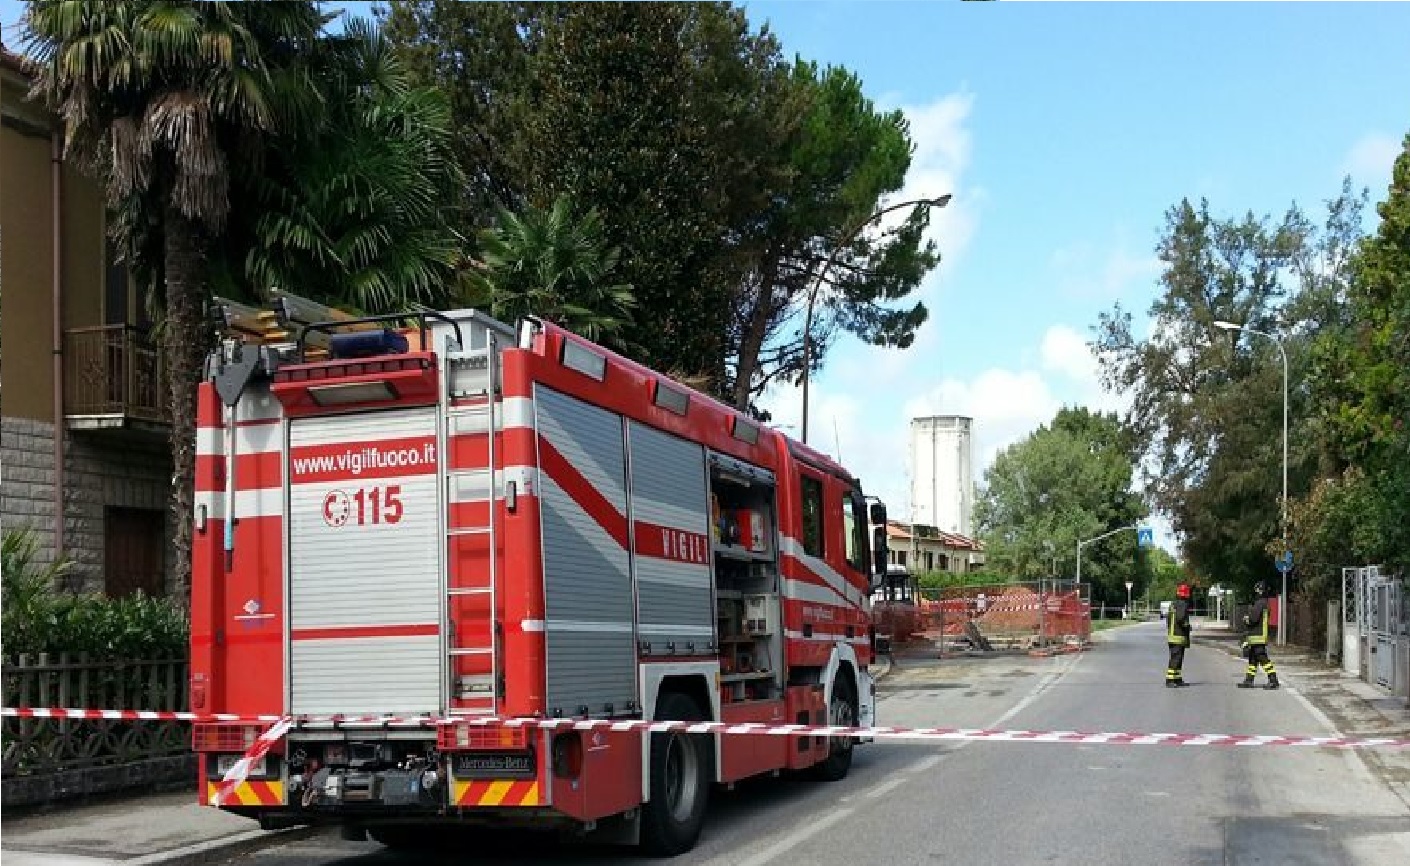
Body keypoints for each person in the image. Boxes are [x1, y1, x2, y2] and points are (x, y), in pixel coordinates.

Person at [1239, 581, 1279, 689]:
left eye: (1257, 590)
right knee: (1253, 659)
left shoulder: (1260, 603)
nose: (1255, 592)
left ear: (1260, 591)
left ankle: (1273, 680)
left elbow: (1253, 619)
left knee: (1262, 657)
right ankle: (1249, 680)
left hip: (1258, 635)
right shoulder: (1264, 602)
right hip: (1258, 635)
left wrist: (1246, 619)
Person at [1165, 583, 1192, 687]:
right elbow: (1181, 619)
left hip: (1173, 635)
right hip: (1178, 636)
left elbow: (1169, 620)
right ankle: (1170, 680)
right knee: (1176, 659)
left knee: (1178, 658)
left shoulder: (1173, 604)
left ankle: (1177, 679)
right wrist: (1187, 626)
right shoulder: (1182, 604)